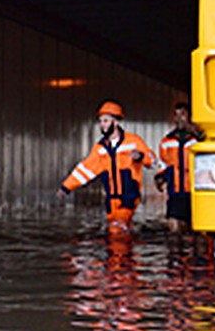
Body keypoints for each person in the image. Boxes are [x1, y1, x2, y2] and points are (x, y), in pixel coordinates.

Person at [56, 100, 157, 234]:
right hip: (111, 200)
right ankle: (128, 252)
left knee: (117, 229)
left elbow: (153, 161)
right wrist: (66, 187)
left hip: (129, 196)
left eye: (105, 121)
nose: (101, 125)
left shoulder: (133, 141)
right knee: (119, 231)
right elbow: (85, 169)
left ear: (116, 122)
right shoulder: (100, 149)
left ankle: (121, 251)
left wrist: (141, 157)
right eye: (100, 121)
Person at [155, 100, 203, 234]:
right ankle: (175, 254)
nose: (179, 118)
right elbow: (163, 163)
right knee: (174, 227)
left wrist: (196, 132)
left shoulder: (198, 139)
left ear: (189, 117)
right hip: (175, 191)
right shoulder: (167, 141)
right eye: (176, 115)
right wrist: (160, 177)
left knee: (193, 231)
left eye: (183, 114)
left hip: (194, 192)